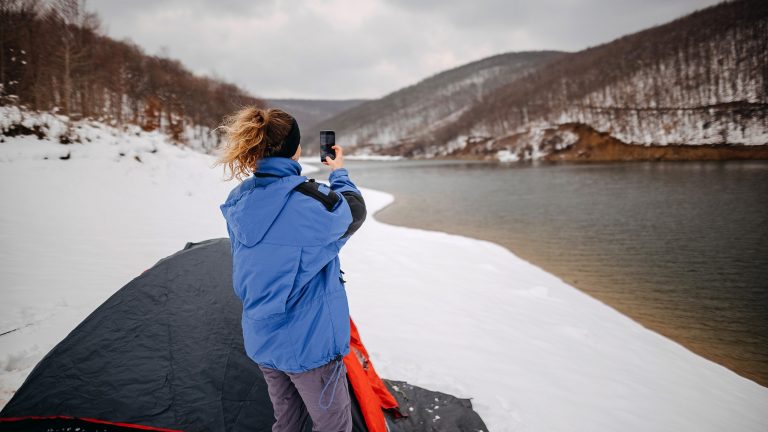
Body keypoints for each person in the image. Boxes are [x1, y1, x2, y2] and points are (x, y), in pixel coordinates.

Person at [213, 106, 367, 431]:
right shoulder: (309, 205)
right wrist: (338, 171)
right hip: (309, 346)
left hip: (262, 337)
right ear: (294, 149)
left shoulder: (240, 199)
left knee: (288, 422)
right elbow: (354, 210)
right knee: (333, 427)